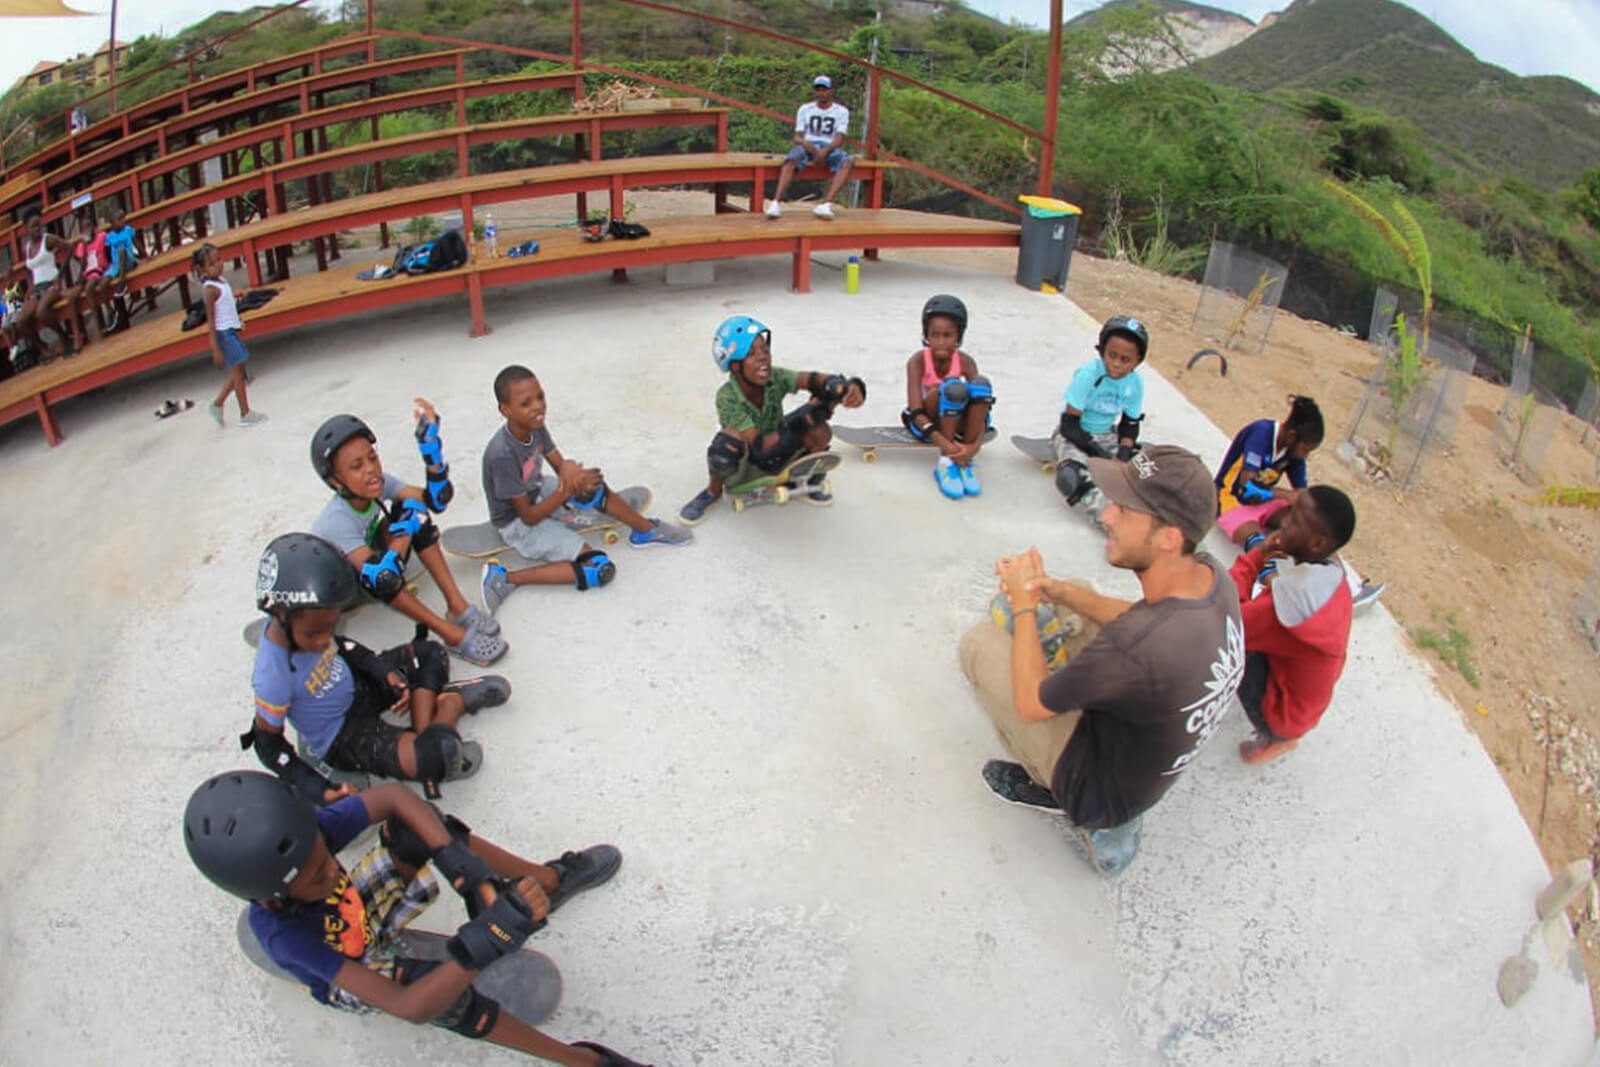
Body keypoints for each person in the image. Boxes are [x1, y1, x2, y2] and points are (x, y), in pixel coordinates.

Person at [184, 771, 650, 1067]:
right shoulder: (284, 935)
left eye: (327, 856)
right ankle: (584, 1061)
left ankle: (545, 881)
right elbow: (406, 1008)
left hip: (363, 911)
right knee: (439, 998)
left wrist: (461, 868)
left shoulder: (310, 838)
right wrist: (485, 942)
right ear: (272, 898)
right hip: (353, 967)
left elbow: (392, 797)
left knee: (424, 826)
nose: (332, 867)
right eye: (317, 875)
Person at [959, 445, 1244, 876]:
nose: (1107, 515)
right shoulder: (1210, 577)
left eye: (1125, 510)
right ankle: (1064, 666)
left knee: (980, 645)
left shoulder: (1139, 645)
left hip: (1096, 788)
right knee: (1074, 595)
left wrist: (1022, 602)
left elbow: (1033, 703)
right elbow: (1137, 617)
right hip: (1145, 751)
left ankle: (1077, 806)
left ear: (1168, 537)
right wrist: (1059, 591)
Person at [243, 531, 506, 798]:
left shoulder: (309, 625)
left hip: (360, 685)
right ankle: (450, 705)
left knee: (430, 652)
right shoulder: (271, 677)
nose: (324, 641)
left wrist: (384, 672)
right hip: (343, 733)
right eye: (314, 634)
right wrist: (317, 789)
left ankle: (427, 732)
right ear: (279, 615)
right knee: (437, 758)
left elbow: (345, 647)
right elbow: (269, 744)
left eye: (330, 627)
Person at [479, 365, 692, 616]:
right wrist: (565, 491)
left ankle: (645, 530)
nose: (538, 407)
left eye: (540, 397)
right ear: (506, 410)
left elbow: (559, 465)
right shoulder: (501, 455)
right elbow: (528, 517)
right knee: (597, 568)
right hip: (517, 522)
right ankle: (504, 579)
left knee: (591, 486)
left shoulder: (535, 425)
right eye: (526, 403)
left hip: (539, 492)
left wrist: (573, 477)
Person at [310, 405, 508, 666]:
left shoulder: (375, 483)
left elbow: (435, 499)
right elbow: (381, 577)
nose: (371, 469)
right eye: (357, 466)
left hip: (371, 560)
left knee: (410, 510)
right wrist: (406, 530)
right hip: (343, 589)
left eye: (372, 457)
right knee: (390, 568)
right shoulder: (336, 521)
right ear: (336, 482)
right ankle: (449, 634)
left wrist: (431, 453)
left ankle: (457, 606)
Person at [677, 315, 866, 524]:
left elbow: (810, 379)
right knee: (726, 444)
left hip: (781, 447)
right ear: (734, 366)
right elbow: (761, 448)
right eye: (751, 354)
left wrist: (842, 386)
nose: (763, 358)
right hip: (750, 461)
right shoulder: (727, 396)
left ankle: (809, 483)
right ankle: (712, 492)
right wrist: (806, 419)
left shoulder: (775, 377)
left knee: (821, 428)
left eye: (765, 350)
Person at [1214, 396, 1385, 610]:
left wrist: (1308, 509)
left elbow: (1302, 493)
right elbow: (1245, 489)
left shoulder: (1293, 452)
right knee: (1258, 541)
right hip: (1229, 501)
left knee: (1314, 528)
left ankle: (1350, 587)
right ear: (1292, 435)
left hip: (1263, 502)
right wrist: (1285, 495)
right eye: (1305, 449)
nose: (1305, 455)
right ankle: (1276, 590)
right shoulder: (1261, 433)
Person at [1230, 486, 1356, 765]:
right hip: (1306, 709)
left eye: (1295, 520)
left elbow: (1226, 618)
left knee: (1220, 644)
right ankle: (1284, 735)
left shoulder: (1285, 608)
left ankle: (1273, 737)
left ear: (1316, 544)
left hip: (1280, 716)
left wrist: (1255, 557)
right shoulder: (1333, 580)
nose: (1284, 520)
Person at [1050, 315, 1149, 521]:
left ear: (1138, 361)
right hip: (1077, 436)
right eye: (1111, 355)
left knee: (1151, 464)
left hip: (1107, 435)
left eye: (1125, 360)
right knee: (1070, 477)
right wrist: (1100, 455)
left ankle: (1150, 512)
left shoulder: (1135, 383)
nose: (1116, 364)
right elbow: (1070, 425)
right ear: (1102, 350)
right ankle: (1108, 520)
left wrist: (1122, 455)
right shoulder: (1088, 374)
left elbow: (1129, 425)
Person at [901, 294, 995, 499]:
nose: (941, 342)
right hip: (927, 419)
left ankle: (965, 461)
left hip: (956, 418)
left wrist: (974, 447)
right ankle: (947, 462)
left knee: (981, 385)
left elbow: (981, 406)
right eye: (935, 335)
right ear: (926, 334)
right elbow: (915, 411)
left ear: (958, 336)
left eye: (947, 335)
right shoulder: (917, 361)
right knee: (951, 388)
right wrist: (947, 447)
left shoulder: (966, 362)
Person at [193, 243, 267, 427]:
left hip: (231, 330)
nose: (218, 265)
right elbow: (211, 320)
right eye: (211, 263)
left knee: (238, 372)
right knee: (238, 373)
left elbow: (226, 304)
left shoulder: (221, 281)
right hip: (223, 335)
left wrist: (236, 300)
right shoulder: (210, 289)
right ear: (201, 269)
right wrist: (215, 347)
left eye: (219, 260)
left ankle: (218, 403)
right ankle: (245, 413)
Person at [763, 74, 854, 221]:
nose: (821, 93)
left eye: (824, 89)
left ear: (831, 91)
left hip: (828, 145)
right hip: (808, 143)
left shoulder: (841, 111)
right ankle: (776, 202)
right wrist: (808, 145)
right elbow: (797, 136)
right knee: (791, 159)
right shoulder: (805, 109)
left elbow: (840, 138)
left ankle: (826, 203)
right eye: (818, 89)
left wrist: (825, 150)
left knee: (847, 161)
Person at [13, 208, 78, 360]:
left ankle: (64, 336)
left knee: (41, 312)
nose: (38, 229)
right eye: (33, 226)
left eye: (39, 225)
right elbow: (29, 269)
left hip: (51, 284)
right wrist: (29, 286)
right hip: (36, 289)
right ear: (26, 229)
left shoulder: (48, 239)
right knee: (21, 321)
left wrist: (60, 275)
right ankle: (41, 346)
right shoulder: (26, 248)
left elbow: (69, 247)